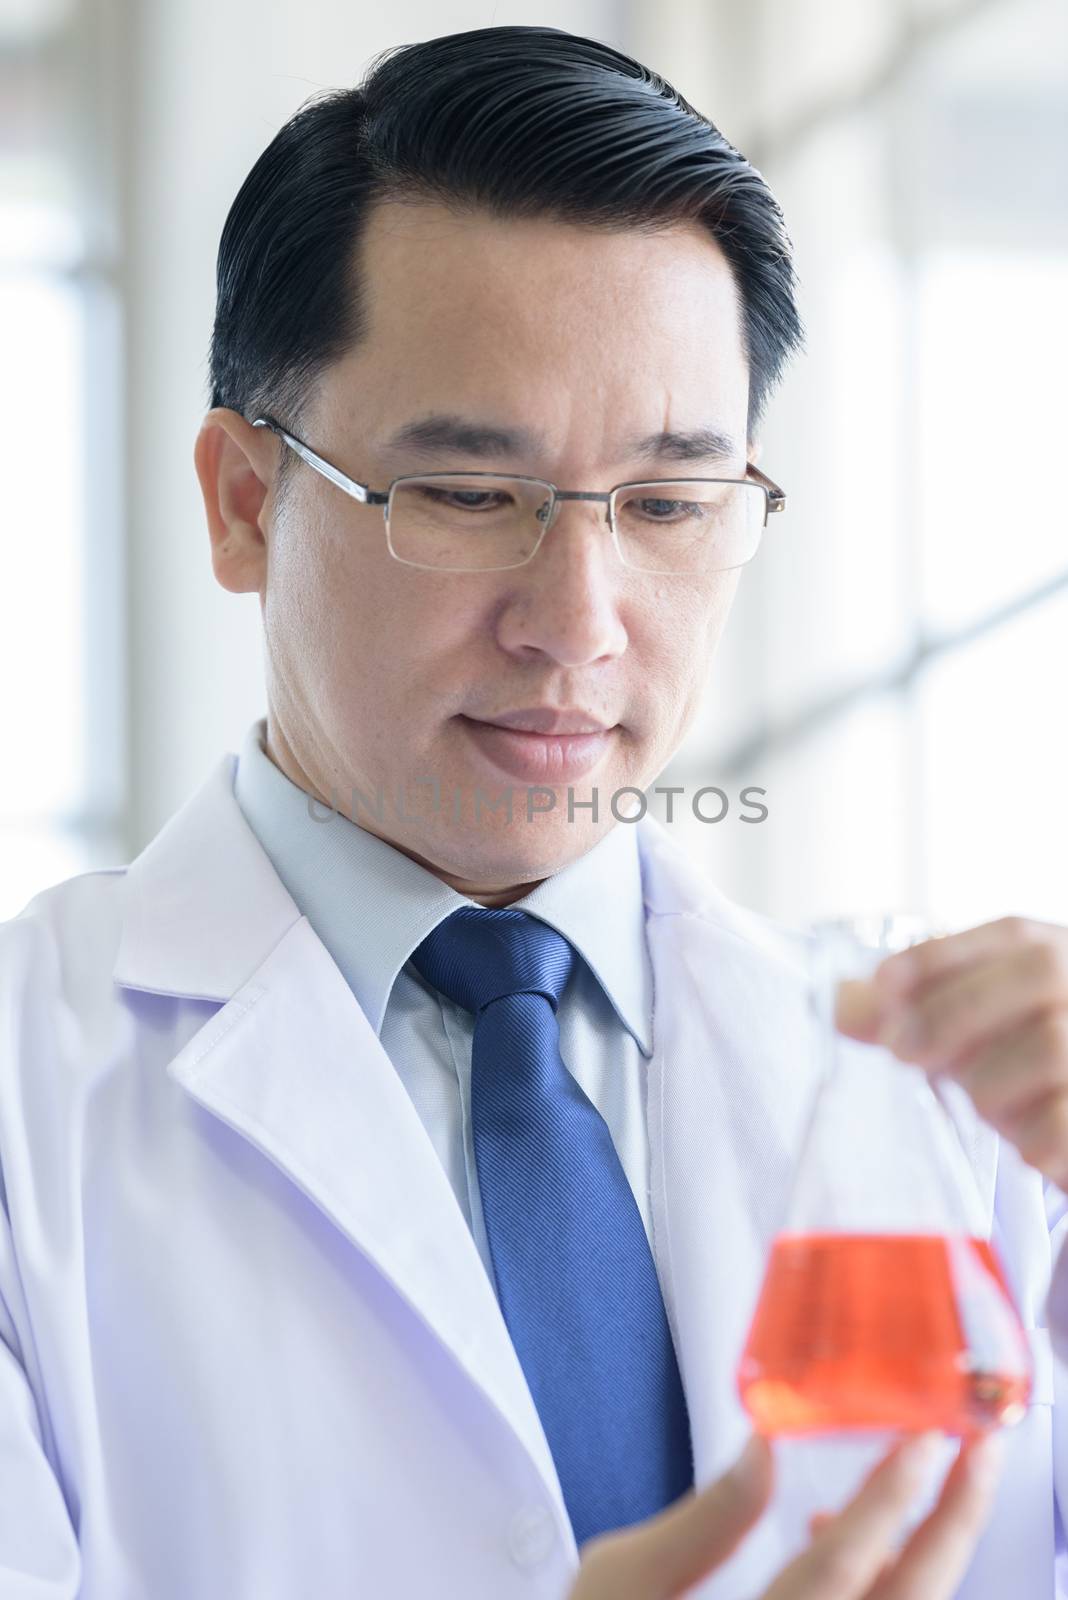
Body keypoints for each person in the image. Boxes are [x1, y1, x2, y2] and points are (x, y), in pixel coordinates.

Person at [1, 23, 1066, 1599]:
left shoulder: (968, 1117)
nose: (578, 620)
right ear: (243, 504)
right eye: (470, 495)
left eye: (666, 504)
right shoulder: (29, 1104)